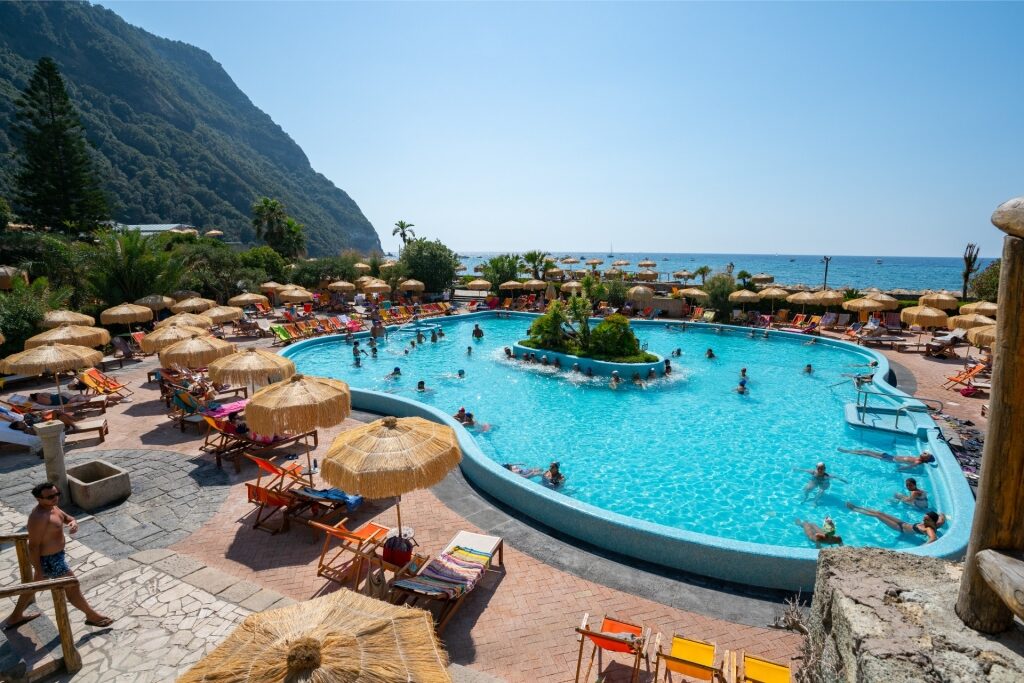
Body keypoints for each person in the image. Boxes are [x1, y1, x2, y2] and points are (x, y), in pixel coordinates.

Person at [4, 483, 113, 630]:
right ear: (39, 499)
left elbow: (68, 518)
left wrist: (73, 523)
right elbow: (33, 546)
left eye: (57, 494)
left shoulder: (52, 507)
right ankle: (91, 616)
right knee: (72, 585)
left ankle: (15, 617)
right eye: (50, 497)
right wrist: (38, 569)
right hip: (50, 561)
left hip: (58, 556)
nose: (55, 498)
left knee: (32, 587)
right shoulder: (38, 517)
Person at [846, 503, 946, 544]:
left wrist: (924, 545)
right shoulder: (937, 524)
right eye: (924, 518)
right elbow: (942, 518)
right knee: (880, 512)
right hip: (904, 523)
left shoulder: (929, 529)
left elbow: (933, 538)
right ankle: (858, 507)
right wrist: (942, 514)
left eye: (926, 519)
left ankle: (855, 510)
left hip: (900, 528)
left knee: (878, 516)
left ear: (932, 521)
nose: (923, 520)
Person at [838, 447, 935, 470]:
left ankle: (848, 452)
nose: (925, 452)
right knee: (867, 450)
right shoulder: (917, 457)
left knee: (867, 454)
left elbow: (909, 467)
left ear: (926, 459)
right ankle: (849, 451)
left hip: (890, 460)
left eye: (926, 454)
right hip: (890, 456)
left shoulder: (918, 461)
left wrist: (900, 469)